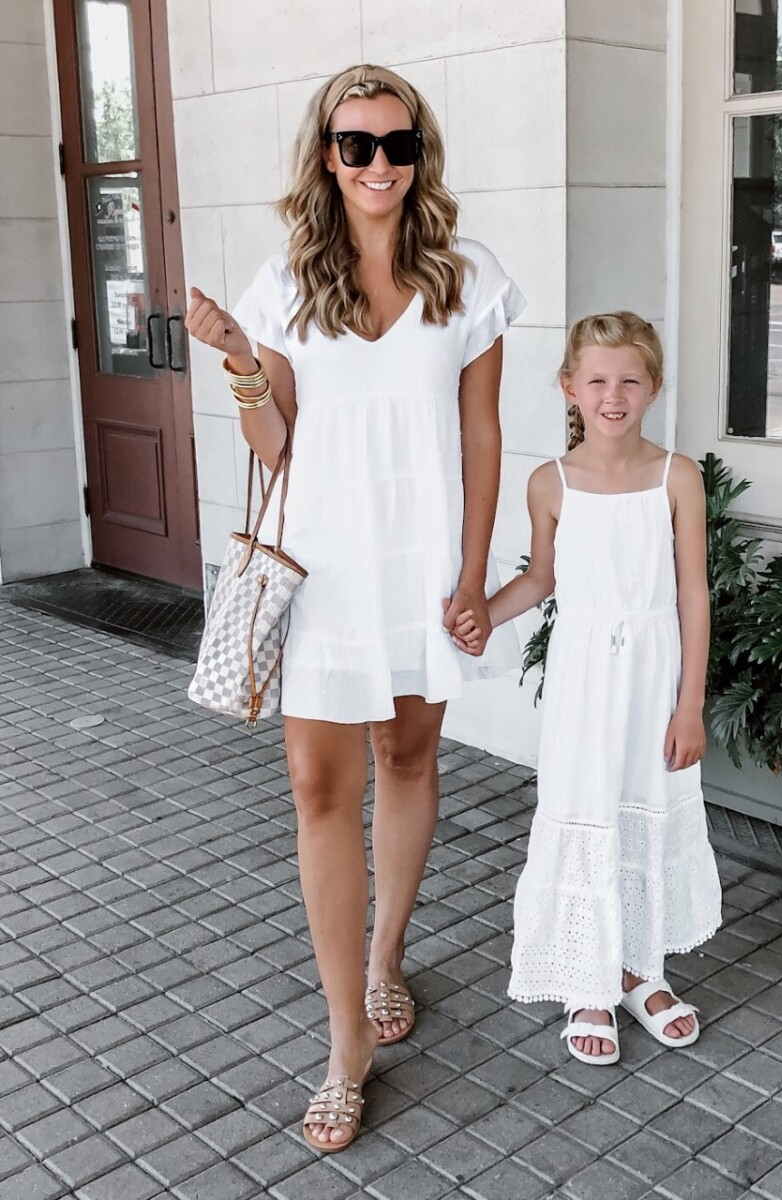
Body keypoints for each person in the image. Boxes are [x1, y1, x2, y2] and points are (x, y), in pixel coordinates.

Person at [185, 64, 523, 1148]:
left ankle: (386, 958)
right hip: (324, 569)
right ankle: (345, 1044)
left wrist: (473, 573)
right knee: (315, 786)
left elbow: (481, 438)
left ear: (419, 153)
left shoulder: (467, 278)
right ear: (324, 156)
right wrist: (241, 360)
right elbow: (276, 446)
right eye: (355, 144)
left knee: (408, 761)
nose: (377, 164)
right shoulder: (284, 278)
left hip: (420, 565)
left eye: (396, 144)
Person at [452, 312, 722, 1064]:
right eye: (596, 380)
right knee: (583, 808)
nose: (613, 395)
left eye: (629, 380)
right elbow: (540, 579)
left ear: (653, 387)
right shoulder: (551, 482)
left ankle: (641, 972)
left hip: (653, 676)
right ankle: (586, 981)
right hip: (582, 681)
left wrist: (689, 702)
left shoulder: (677, 477)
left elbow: (693, 593)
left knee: (646, 809)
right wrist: (478, 613)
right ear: (568, 387)